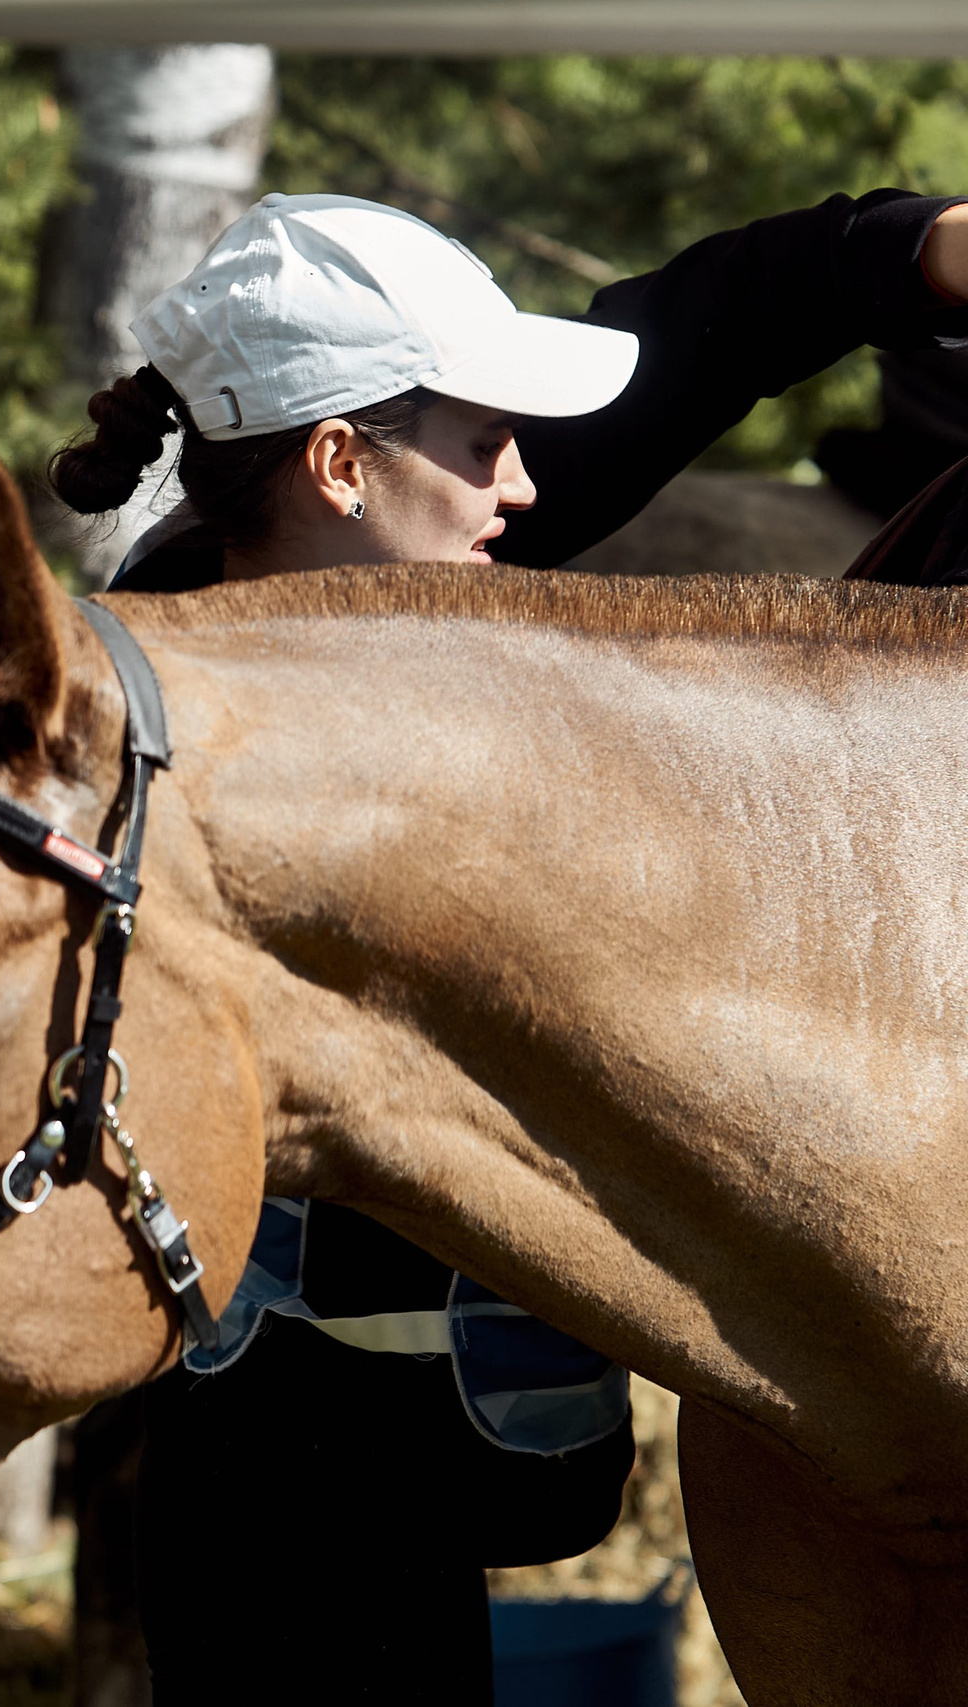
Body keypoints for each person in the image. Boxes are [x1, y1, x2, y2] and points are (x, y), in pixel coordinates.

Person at [51, 188, 968, 1703]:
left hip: (427, 1460)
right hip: (277, 1462)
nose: (527, 485)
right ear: (339, 462)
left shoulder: (422, 536)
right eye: (488, 442)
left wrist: (923, 250)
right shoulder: (136, 720)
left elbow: (717, 322)